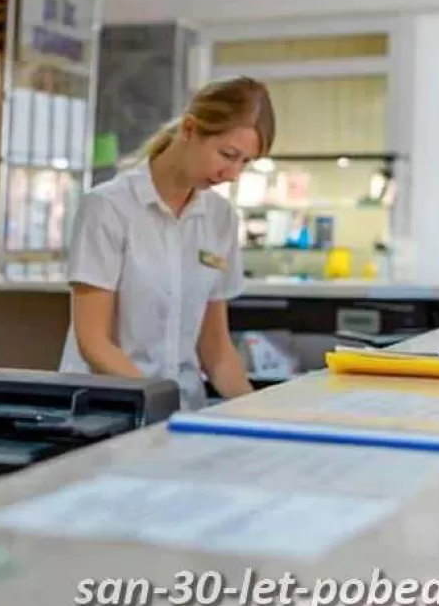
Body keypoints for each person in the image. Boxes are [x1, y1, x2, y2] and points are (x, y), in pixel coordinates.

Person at [57, 77, 276, 410]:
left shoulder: (220, 218)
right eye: (228, 155)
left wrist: (257, 414)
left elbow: (215, 348)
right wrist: (161, 404)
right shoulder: (108, 207)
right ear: (189, 129)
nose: (233, 174)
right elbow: (95, 344)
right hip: (109, 411)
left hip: (182, 411)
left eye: (245, 162)